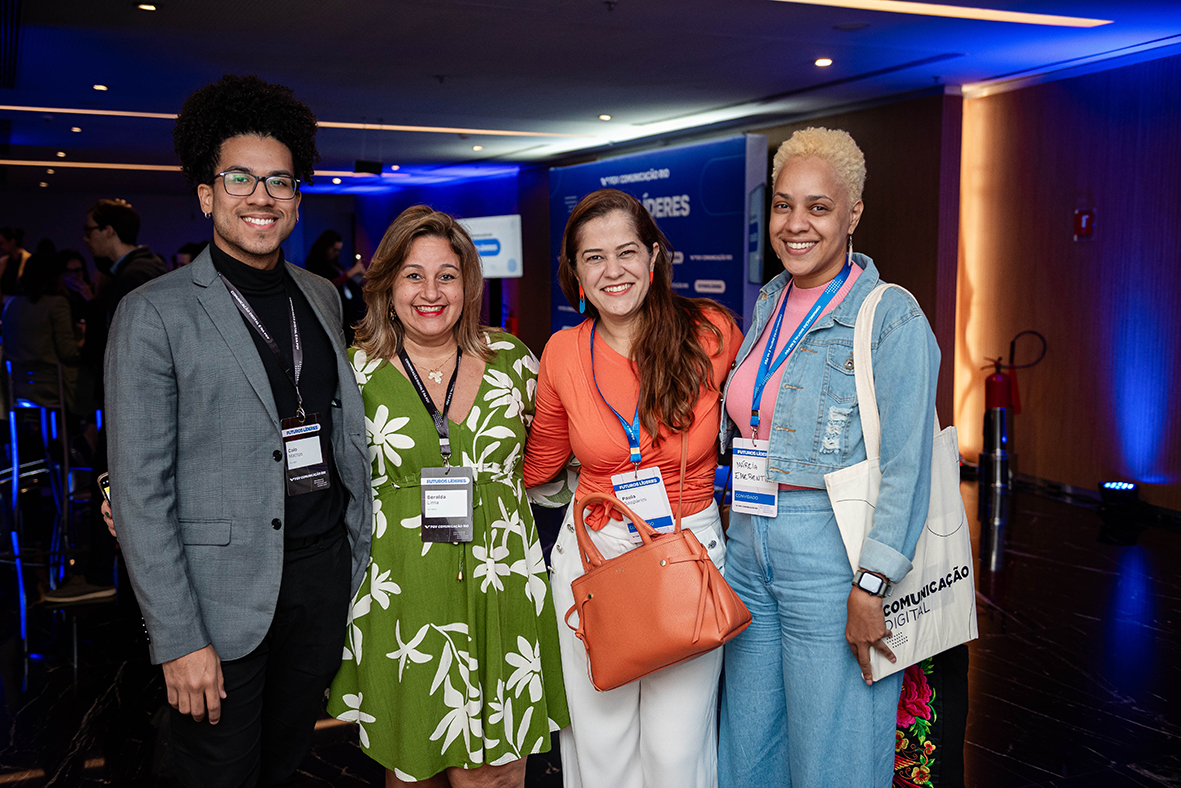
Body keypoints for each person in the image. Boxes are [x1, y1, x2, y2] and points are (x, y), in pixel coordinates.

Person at [104, 73, 372, 787]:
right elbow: (140, 490)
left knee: (283, 764)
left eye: (279, 181)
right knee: (218, 775)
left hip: (318, 582)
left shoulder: (321, 295)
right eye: (240, 178)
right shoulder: (154, 312)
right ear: (206, 194)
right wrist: (177, 638)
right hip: (218, 600)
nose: (261, 196)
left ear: (297, 198)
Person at [716, 127, 940, 787]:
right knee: (748, 751)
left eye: (818, 207)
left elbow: (907, 465)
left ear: (852, 215)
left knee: (832, 759)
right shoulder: (769, 300)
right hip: (747, 544)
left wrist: (871, 583)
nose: (796, 224)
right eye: (783, 205)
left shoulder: (890, 315)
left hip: (832, 555)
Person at [327, 205, 569, 787]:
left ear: (469, 284)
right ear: (388, 284)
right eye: (413, 275)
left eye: (447, 275)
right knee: (412, 773)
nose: (431, 292)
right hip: (401, 597)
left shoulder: (514, 363)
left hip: (501, 588)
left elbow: (559, 460)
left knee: (493, 776)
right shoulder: (353, 373)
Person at [523, 188, 741, 788]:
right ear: (575, 272)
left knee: (676, 753)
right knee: (602, 746)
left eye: (626, 252)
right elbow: (541, 462)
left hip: (688, 552)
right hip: (597, 551)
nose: (612, 270)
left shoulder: (712, 332)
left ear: (653, 256)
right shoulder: (564, 351)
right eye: (593, 258)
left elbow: (761, 417)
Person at [1, 253, 83, 411]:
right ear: (54, 277)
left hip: (16, 387)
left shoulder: (11, 305)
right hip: (53, 386)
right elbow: (67, 352)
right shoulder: (57, 304)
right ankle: (89, 426)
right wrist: (84, 344)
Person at [82, 198, 167, 321]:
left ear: (108, 231)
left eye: (89, 231)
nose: (85, 238)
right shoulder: (144, 266)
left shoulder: (134, 275)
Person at [305, 228, 365, 343]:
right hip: (332, 313)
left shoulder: (336, 264)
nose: (337, 253)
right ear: (326, 247)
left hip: (347, 312)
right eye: (335, 250)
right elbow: (326, 285)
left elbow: (345, 286)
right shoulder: (315, 264)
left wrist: (358, 277)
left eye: (338, 250)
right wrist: (351, 273)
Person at [0, 226, 31, 297]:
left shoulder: (29, 261)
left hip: (21, 301)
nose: (0, 247)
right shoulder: (2, 262)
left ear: (12, 242)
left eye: (1, 243)